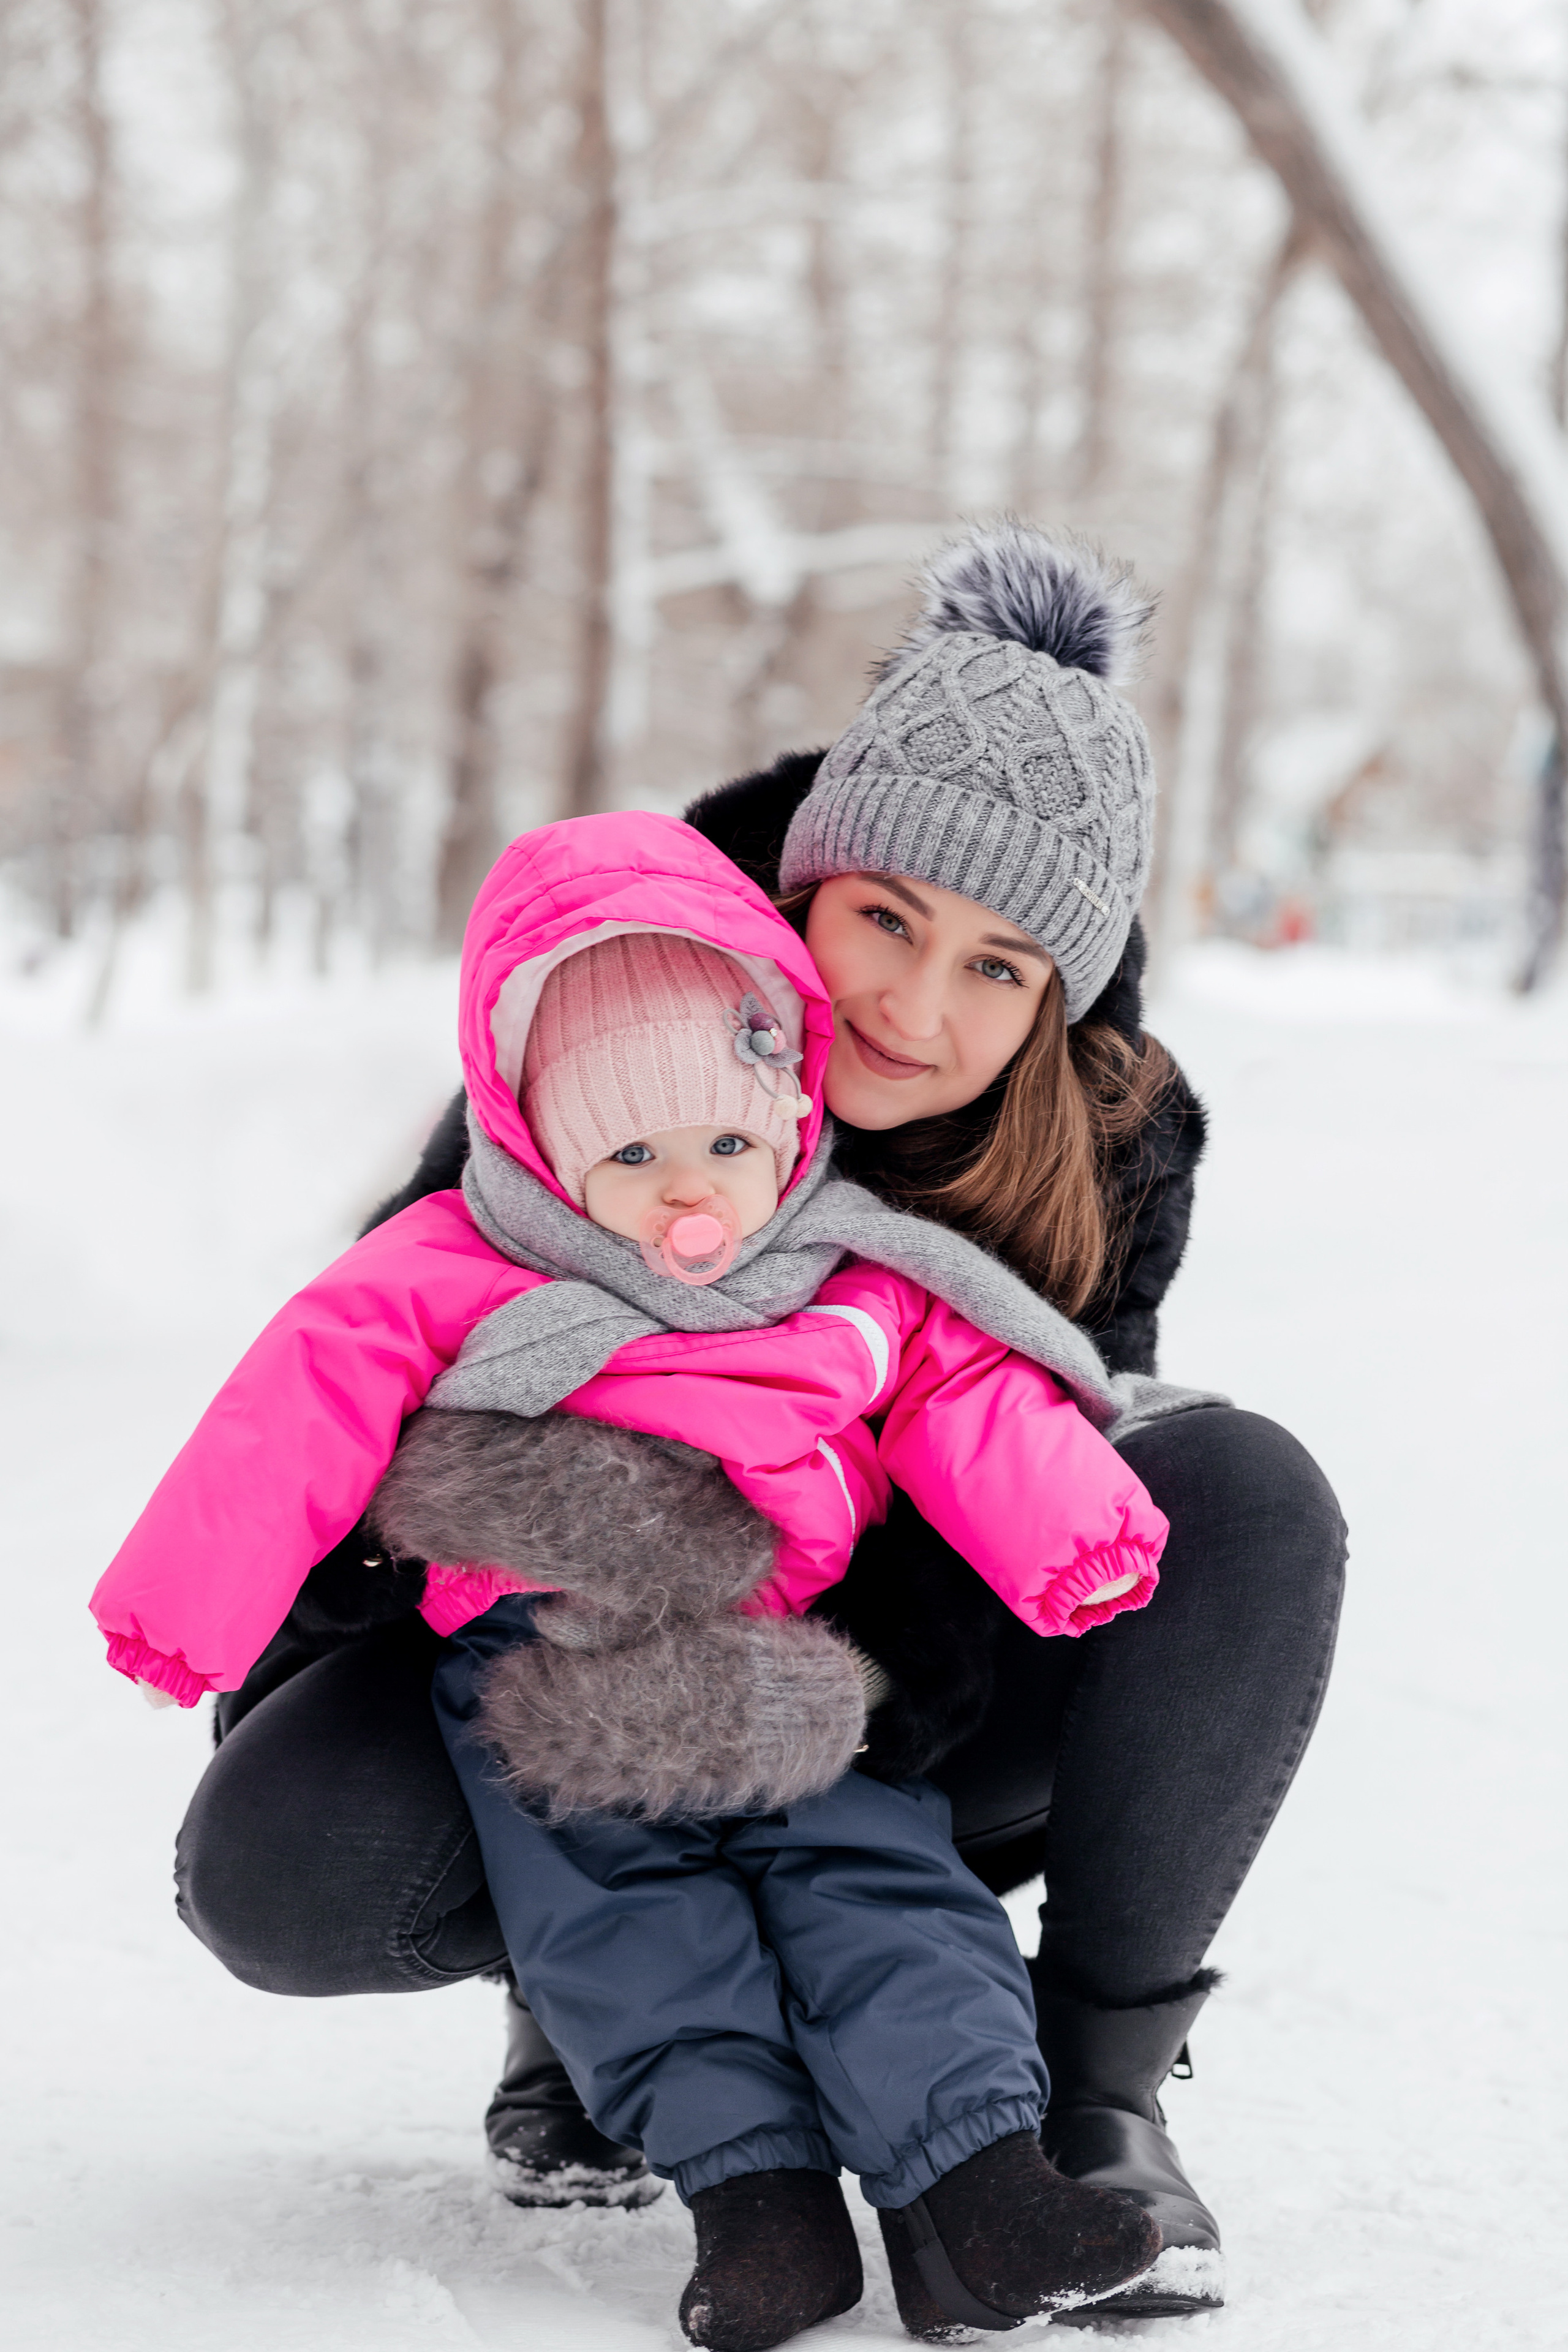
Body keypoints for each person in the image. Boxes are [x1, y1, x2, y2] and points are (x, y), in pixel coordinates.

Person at [163, 524, 1346, 2327]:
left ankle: (1072, 2099)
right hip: (555, 1666)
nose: (911, 1009)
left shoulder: (1101, 1134)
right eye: (884, 919)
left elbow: (1041, 1445)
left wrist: (824, 1676)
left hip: (878, 1673)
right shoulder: (609, 1019)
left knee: (1242, 1490)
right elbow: (366, 1378)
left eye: (997, 968)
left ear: (1060, 996)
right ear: (802, 878)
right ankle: (594, 1992)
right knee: (282, 1861)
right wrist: (414, 1590)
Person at [94, 815, 1180, 2346]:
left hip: (785, 1648)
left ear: (784, 1114)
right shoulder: (460, 1254)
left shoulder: (841, 1263)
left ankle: (986, 2179)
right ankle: (757, 2205)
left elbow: (962, 1387)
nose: (693, 1196)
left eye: (727, 1147)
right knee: (617, 1917)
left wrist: (1073, 1534)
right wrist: (186, 1614)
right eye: (634, 1157)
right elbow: (298, 1405)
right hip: (541, 1656)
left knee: (877, 1879)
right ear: (545, 1142)